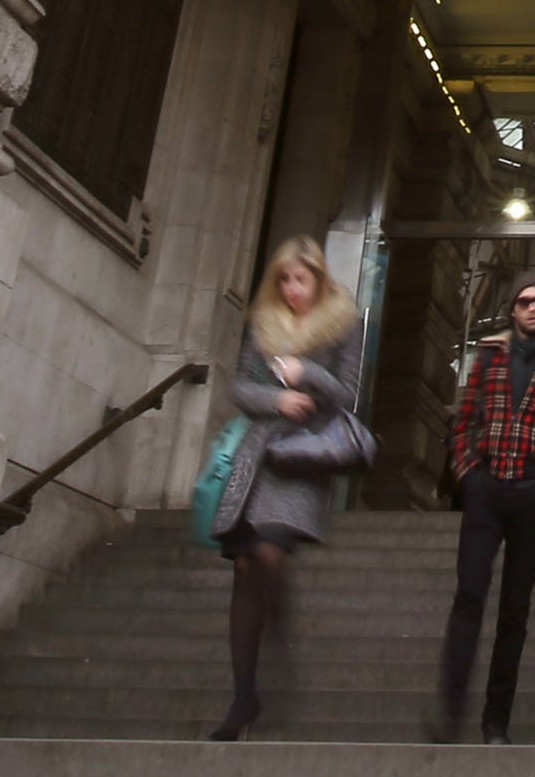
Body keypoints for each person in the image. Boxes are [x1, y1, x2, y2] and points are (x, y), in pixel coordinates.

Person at [210, 237, 366, 742]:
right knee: (244, 565)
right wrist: (278, 399)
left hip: (303, 459)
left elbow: (347, 392)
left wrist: (308, 372)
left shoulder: (343, 323)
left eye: (302, 280)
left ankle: (279, 639)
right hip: (257, 458)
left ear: (319, 281)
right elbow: (238, 385)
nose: (293, 290)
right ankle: (244, 696)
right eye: (285, 280)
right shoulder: (263, 324)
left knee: (271, 555)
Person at [432, 276, 535, 742]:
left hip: (531, 493)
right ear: (512, 308)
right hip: (487, 487)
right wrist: (468, 471)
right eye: (524, 301)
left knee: (515, 610)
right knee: (469, 595)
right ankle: (450, 709)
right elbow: (464, 416)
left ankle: (496, 719)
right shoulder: (489, 355)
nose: (533, 309)